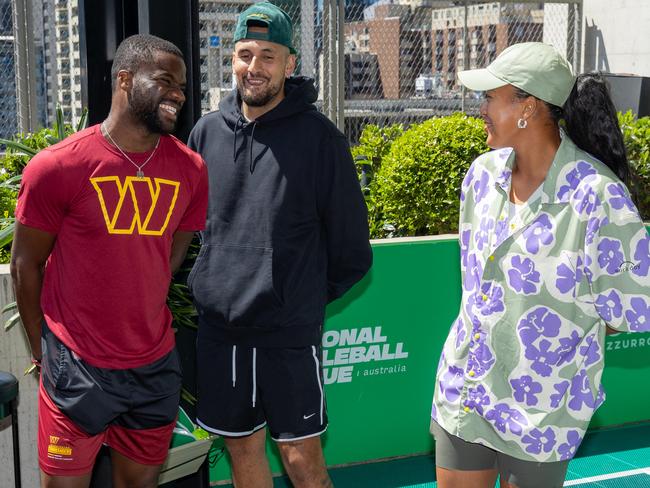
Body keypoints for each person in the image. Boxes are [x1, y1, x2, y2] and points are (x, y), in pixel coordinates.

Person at [430, 42, 650, 488]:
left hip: (541, 411)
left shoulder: (598, 197)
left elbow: (632, 307)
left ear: (528, 106)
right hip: (465, 391)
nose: (482, 108)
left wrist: (562, 329)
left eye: (491, 96)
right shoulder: (480, 177)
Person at [186, 3, 372, 487]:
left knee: (300, 459)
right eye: (246, 54)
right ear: (232, 59)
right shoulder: (205, 133)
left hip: (287, 333)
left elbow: (352, 252)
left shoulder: (322, 141)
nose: (254, 67)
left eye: (268, 55)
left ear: (290, 64)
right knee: (243, 451)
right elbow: (194, 231)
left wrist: (295, 296)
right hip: (221, 331)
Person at [11, 34, 209, 487]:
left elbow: (174, 250)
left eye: (181, 85)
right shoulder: (58, 167)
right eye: (165, 81)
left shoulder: (190, 169)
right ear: (124, 79)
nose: (178, 94)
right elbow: (26, 267)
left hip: (154, 364)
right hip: (76, 363)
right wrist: (47, 352)